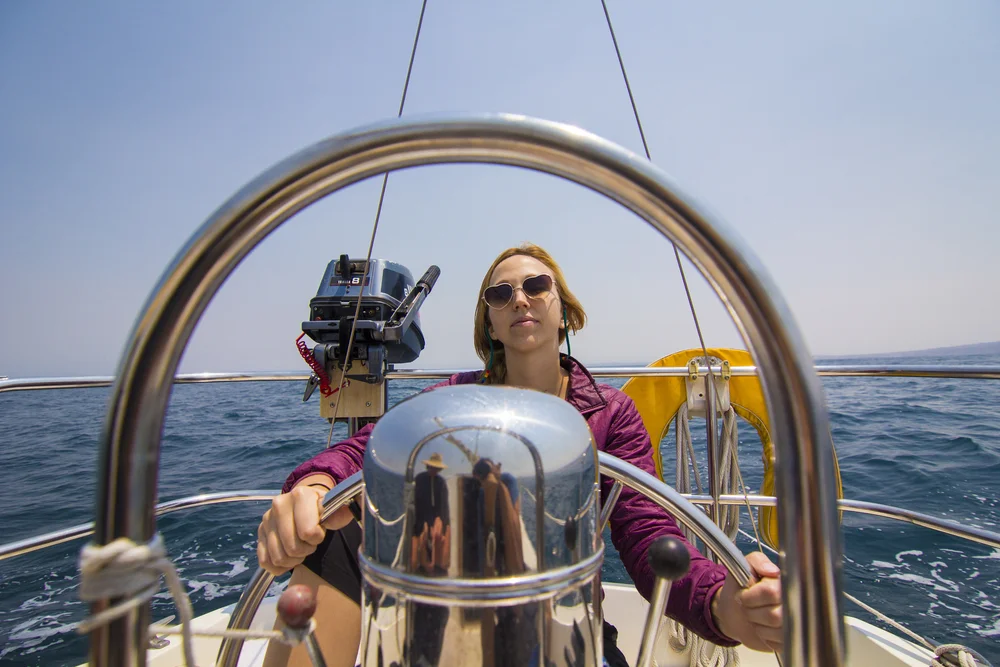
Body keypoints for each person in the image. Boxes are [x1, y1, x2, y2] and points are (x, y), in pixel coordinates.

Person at [257, 243, 784, 667]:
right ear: (489, 322)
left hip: (563, 620)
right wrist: (315, 485)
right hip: (451, 615)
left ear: (565, 312)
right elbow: (366, 446)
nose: (520, 299)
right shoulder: (451, 399)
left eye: (536, 286)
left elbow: (648, 537)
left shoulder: (611, 415)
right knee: (336, 534)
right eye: (500, 293)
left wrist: (726, 607)